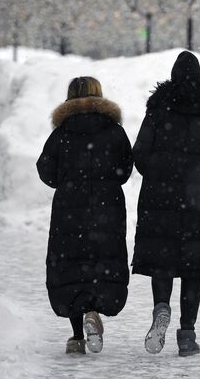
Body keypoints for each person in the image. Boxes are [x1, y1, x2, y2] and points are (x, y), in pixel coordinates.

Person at [132, 51, 200, 356]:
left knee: (162, 263)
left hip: (159, 199)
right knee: (193, 268)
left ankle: (161, 307)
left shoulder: (158, 109)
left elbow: (140, 151)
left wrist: (159, 172)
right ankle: (187, 334)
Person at [36, 76, 133, 355]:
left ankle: (77, 335)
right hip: (108, 208)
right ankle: (94, 310)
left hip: (69, 209)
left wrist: (67, 181)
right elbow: (125, 169)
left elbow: (46, 170)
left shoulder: (61, 133)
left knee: (72, 266)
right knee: (101, 261)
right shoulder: (114, 132)